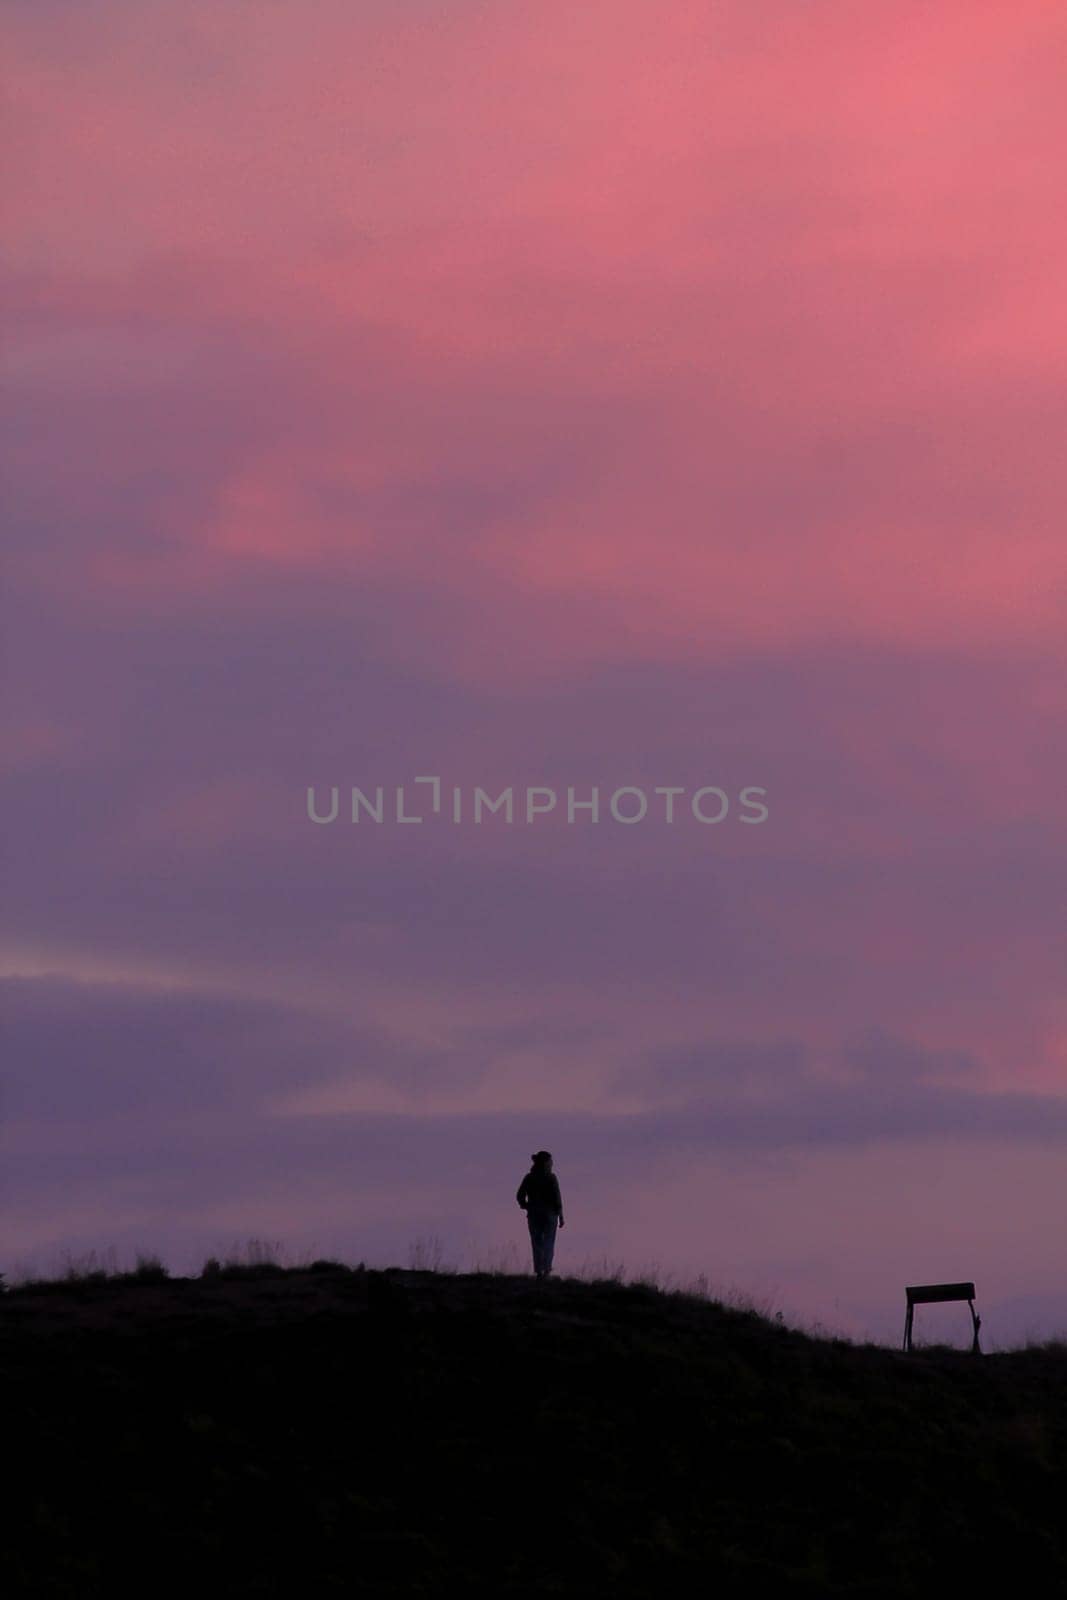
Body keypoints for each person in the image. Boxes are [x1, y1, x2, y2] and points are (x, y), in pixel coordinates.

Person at [516, 1150, 565, 1279]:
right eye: (550, 1161)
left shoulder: (529, 1178)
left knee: (537, 1242)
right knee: (548, 1241)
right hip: (550, 1215)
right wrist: (561, 1215)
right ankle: (547, 1269)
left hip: (534, 1214)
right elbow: (557, 1198)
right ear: (546, 1163)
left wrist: (526, 1206)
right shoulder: (551, 1178)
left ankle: (539, 1270)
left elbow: (519, 1195)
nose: (552, 1163)